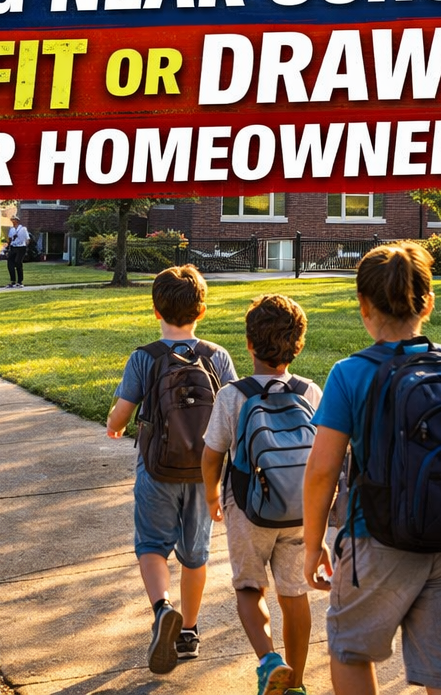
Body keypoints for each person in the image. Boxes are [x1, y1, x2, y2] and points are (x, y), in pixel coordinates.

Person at [302, 241, 441, 695]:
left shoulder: (350, 373)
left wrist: (312, 545)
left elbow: (322, 471)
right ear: (428, 303)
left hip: (377, 539)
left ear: (363, 305)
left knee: (351, 651)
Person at [105, 265, 238, 676]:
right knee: (195, 555)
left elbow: (120, 414)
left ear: (155, 310)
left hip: (156, 469)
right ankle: (189, 633)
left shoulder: (144, 358)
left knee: (151, 546)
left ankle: (163, 609)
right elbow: (234, 413)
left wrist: (115, 425)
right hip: (204, 472)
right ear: (202, 310)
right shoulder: (217, 356)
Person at [201, 294, 320, 695]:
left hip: (248, 508)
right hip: (299, 509)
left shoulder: (233, 395)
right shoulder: (310, 392)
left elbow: (212, 455)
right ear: (297, 345)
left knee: (249, 587)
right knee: (295, 594)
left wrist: (213, 496)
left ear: (249, 344)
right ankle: (296, 685)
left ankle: (270, 660)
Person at [5, 214, 30, 287]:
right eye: (12, 220)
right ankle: (13, 281)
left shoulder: (23, 229)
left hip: (21, 247)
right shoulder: (12, 229)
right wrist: (8, 248)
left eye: (14, 220)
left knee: (18, 263)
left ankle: (20, 282)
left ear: (17, 221)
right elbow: (10, 239)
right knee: (10, 263)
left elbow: (27, 239)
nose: (12, 221)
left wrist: (26, 246)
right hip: (13, 247)